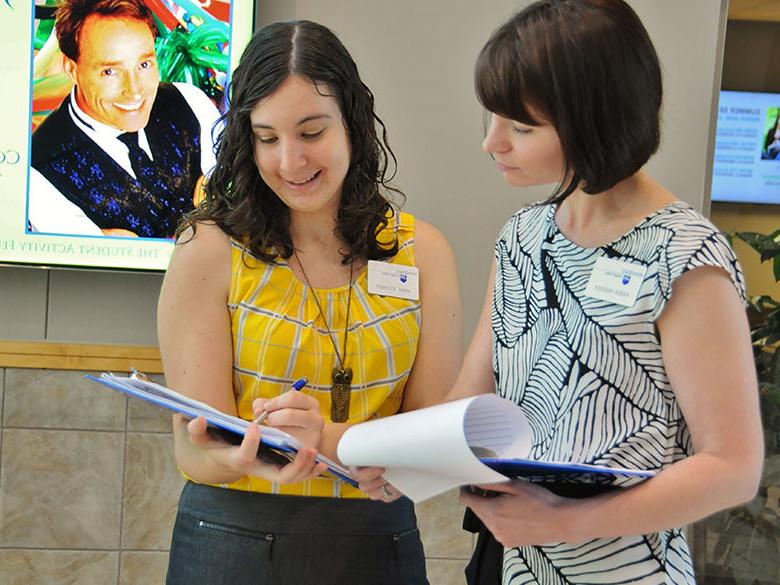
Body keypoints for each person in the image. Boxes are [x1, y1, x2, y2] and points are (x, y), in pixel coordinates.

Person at [361, 2, 764, 584]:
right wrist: (404, 460)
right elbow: (472, 400)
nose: (492, 143)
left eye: (521, 128)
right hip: (520, 565)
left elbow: (732, 467)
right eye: (493, 119)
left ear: (594, 120)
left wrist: (568, 524)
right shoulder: (523, 236)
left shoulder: (684, 255)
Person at [157, 19, 463, 585]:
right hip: (231, 545)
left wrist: (322, 440)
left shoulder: (422, 254)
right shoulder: (209, 250)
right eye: (267, 138)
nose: (290, 162)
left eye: (312, 132)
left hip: (379, 546)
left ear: (353, 122)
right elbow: (192, 454)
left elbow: (431, 446)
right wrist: (241, 454)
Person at [29, 0, 220, 238]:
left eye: (144, 64)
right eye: (110, 71)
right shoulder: (37, 171)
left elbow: (237, 201)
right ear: (71, 69)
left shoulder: (190, 101)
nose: (134, 91)